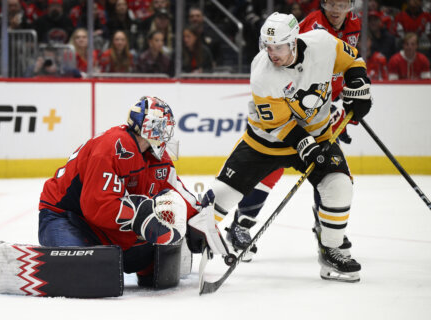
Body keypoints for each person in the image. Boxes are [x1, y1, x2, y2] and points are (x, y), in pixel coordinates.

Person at [202, 12, 372, 282]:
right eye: (267, 47)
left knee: (339, 185)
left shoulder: (323, 43)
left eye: (278, 47)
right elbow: (280, 125)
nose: (272, 53)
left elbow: (353, 60)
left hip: (317, 136)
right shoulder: (262, 71)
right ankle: (187, 243)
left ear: (294, 42)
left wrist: (359, 84)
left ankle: (331, 251)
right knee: (220, 196)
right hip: (266, 141)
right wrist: (306, 145)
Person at [227, 0, 360, 261]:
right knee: (270, 167)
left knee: (327, 169)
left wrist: (346, 99)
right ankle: (241, 225)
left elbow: (344, 63)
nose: (336, 9)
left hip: (318, 107)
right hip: (289, 106)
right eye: (332, 3)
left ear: (351, 6)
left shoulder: (354, 24)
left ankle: (327, 228)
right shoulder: (312, 26)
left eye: (342, 3)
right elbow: (291, 68)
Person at [38, 96, 206, 289]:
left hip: (103, 223)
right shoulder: (111, 147)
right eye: (163, 127)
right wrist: (140, 216)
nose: (166, 134)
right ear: (150, 126)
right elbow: (96, 205)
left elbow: (174, 189)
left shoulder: (155, 155)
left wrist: (198, 220)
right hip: (66, 216)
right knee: (88, 276)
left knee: (159, 270)